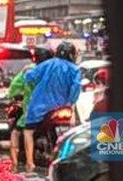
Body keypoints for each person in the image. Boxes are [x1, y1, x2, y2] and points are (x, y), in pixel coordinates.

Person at [22, 41, 82, 173]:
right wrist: (69, 103)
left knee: (28, 132)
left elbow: (30, 77)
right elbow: (76, 88)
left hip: (39, 107)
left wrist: (26, 74)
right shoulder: (75, 69)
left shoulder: (47, 64)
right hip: (62, 107)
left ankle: (30, 162)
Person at [7, 46, 54, 170]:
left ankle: (27, 162)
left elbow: (15, 86)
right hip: (55, 107)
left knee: (19, 132)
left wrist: (14, 96)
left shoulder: (29, 70)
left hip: (33, 111)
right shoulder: (56, 69)